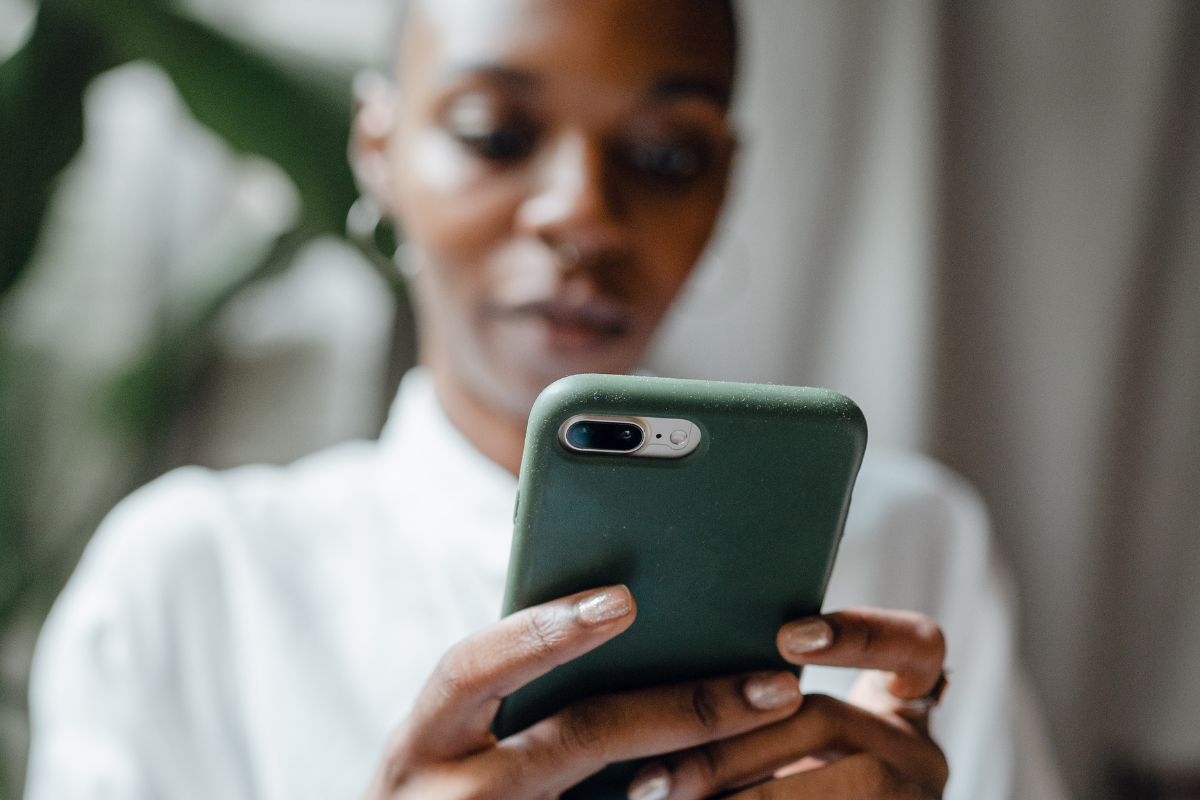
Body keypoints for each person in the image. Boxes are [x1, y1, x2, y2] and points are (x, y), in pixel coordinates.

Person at [25, 1, 1065, 798]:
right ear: (379, 150)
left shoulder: (911, 547)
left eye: (664, 154)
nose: (583, 210)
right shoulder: (194, 579)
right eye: (495, 132)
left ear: (723, 183)